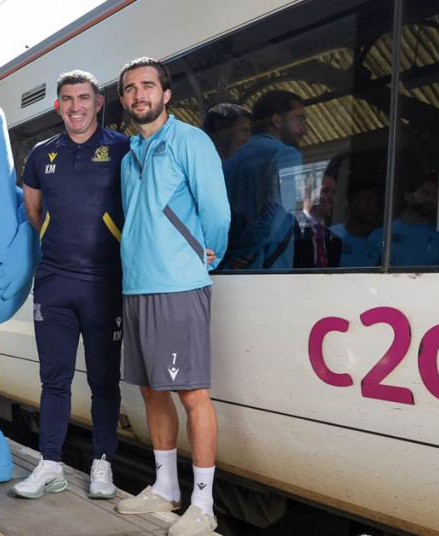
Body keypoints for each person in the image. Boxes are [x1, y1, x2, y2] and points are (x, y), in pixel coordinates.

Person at [113, 57, 230, 536]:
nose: (139, 94)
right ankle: (165, 487)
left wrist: (208, 257)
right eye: (130, 89)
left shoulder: (191, 141)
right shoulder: (128, 156)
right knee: (150, 389)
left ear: (166, 94)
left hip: (179, 286)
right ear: (122, 100)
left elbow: (217, 213)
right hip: (137, 286)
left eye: (147, 86)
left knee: (192, 393)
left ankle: (203, 504)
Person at [11, 70, 129, 500]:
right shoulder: (42, 155)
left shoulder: (122, 148)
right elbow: (34, 212)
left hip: (104, 284)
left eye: (83, 98)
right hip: (55, 283)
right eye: (67, 99)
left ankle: (103, 465)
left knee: (103, 381)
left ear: (99, 103)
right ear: (57, 105)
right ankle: (51, 465)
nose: (75, 106)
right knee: (53, 379)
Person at [221, 90, 308, 270]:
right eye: (299, 119)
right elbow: (273, 219)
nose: (305, 129)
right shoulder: (286, 154)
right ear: (277, 120)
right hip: (266, 273)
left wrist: (227, 257)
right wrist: (240, 253)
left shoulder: (229, 163)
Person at [369, 175, 439, 267]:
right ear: (408, 196)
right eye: (425, 193)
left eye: (435, 196)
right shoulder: (380, 235)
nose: (430, 199)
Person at [293, 162, 342, 268]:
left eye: (334, 192)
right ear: (307, 192)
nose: (330, 197)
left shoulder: (333, 239)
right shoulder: (293, 227)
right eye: (325, 191)